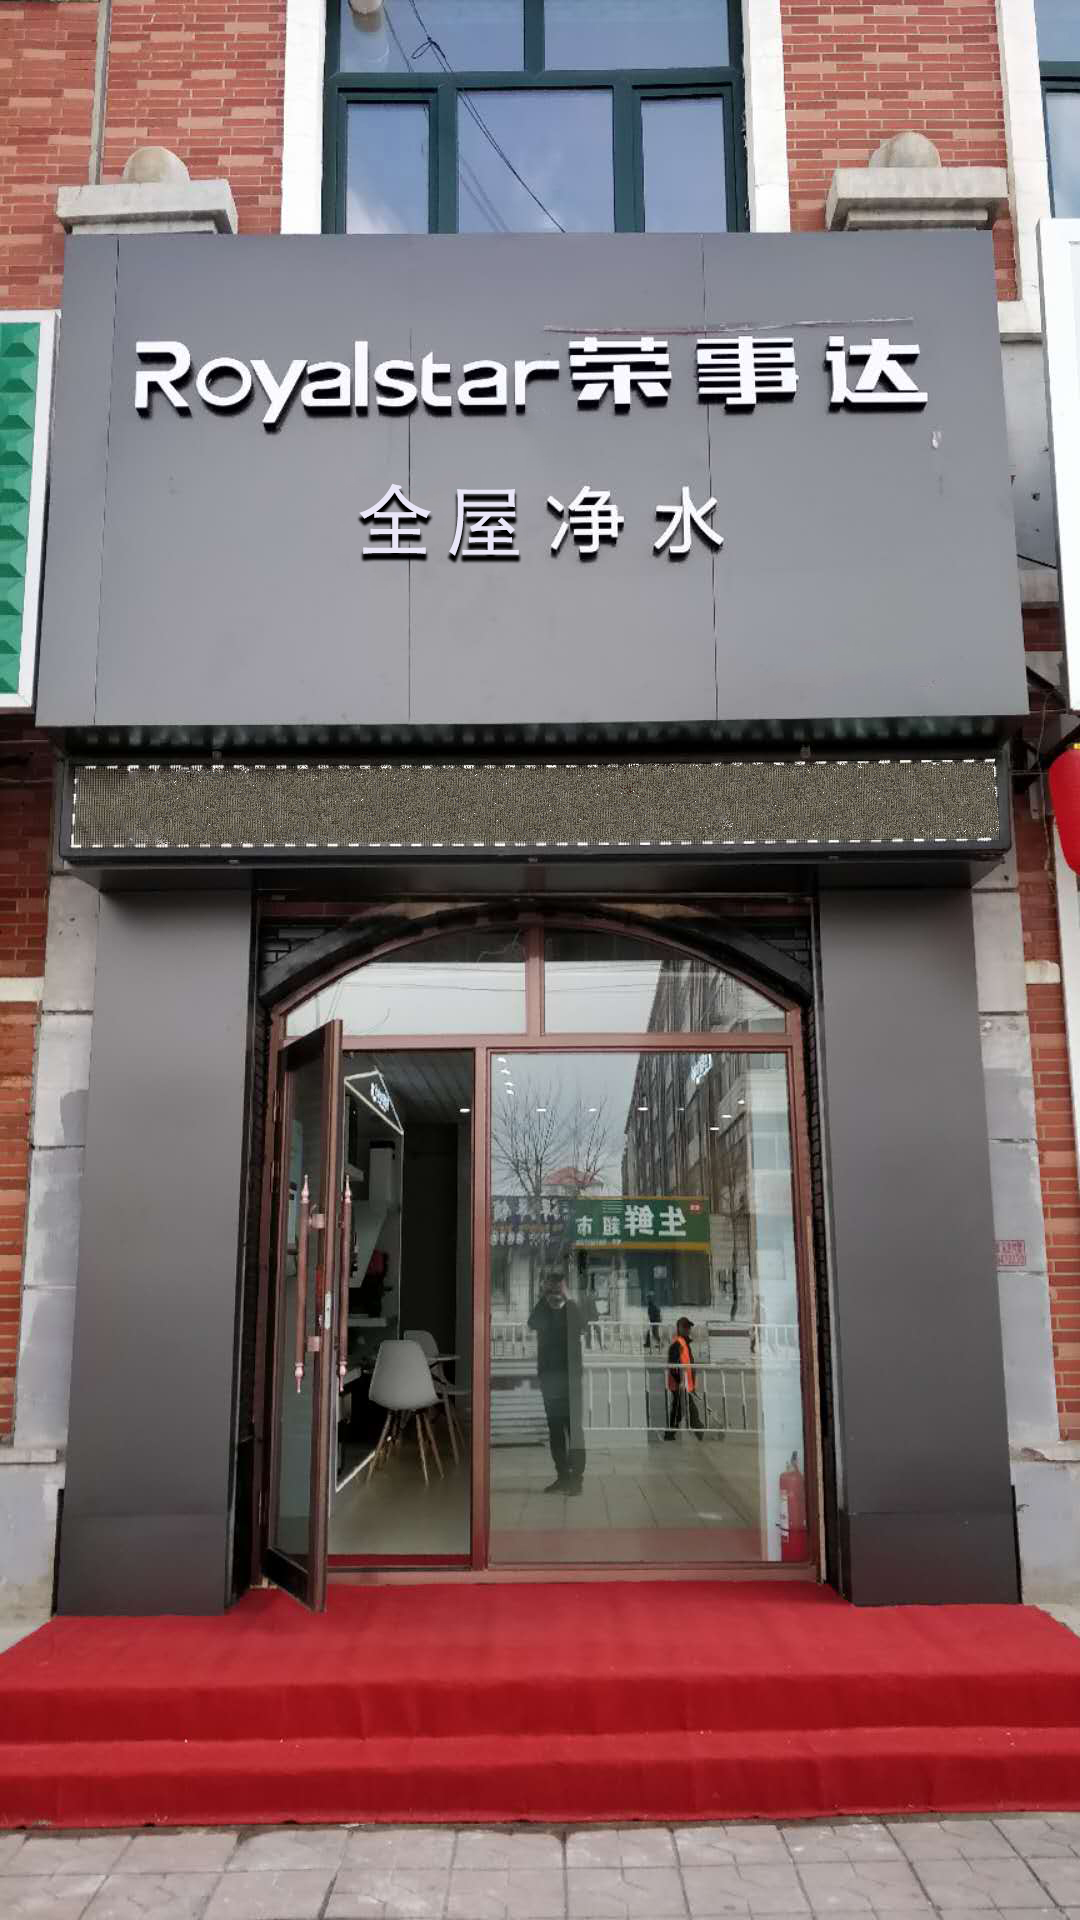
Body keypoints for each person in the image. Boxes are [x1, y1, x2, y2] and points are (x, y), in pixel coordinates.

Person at [528, 1269, 587, 1494]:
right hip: (550, 1380)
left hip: (571, 1380)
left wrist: (568, 1297)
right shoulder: (543, 1311)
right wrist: (544, 1297)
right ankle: (562, 1476)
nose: (554, 1291)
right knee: (555, 1429)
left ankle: (576, 1479)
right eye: (550, 1287)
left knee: (574, 1430)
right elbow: (533, 1322)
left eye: (558, 1287)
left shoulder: (571, 1310)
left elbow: (582, 1324)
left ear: (565, 1288)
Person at [665, 1315, 704, 1440]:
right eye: (686, 1327)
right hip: (680, 1385)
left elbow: (688, 1365)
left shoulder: (685, 1344)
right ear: (680, 1328)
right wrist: (680, 1382)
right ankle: (701, 1433)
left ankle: (669, 1434)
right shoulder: (677, 1345)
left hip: (685, 1385)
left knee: (679, 1411)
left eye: (689, 1327)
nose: (688, 1330)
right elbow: (673, 1366)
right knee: (690, 1410)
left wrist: (691, 1385)